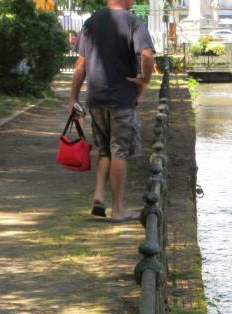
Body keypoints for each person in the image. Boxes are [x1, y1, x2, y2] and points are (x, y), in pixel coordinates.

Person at [68, 0, 155, 223]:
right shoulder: (133, 22)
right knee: (119, 152)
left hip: (95, 98)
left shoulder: (91, 22)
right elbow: (146, 55)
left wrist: (73, 98)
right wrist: (143, 80)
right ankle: (118, 209)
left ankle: (98, 197)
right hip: (122, 98)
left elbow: (80, 65)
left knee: (104, 150)